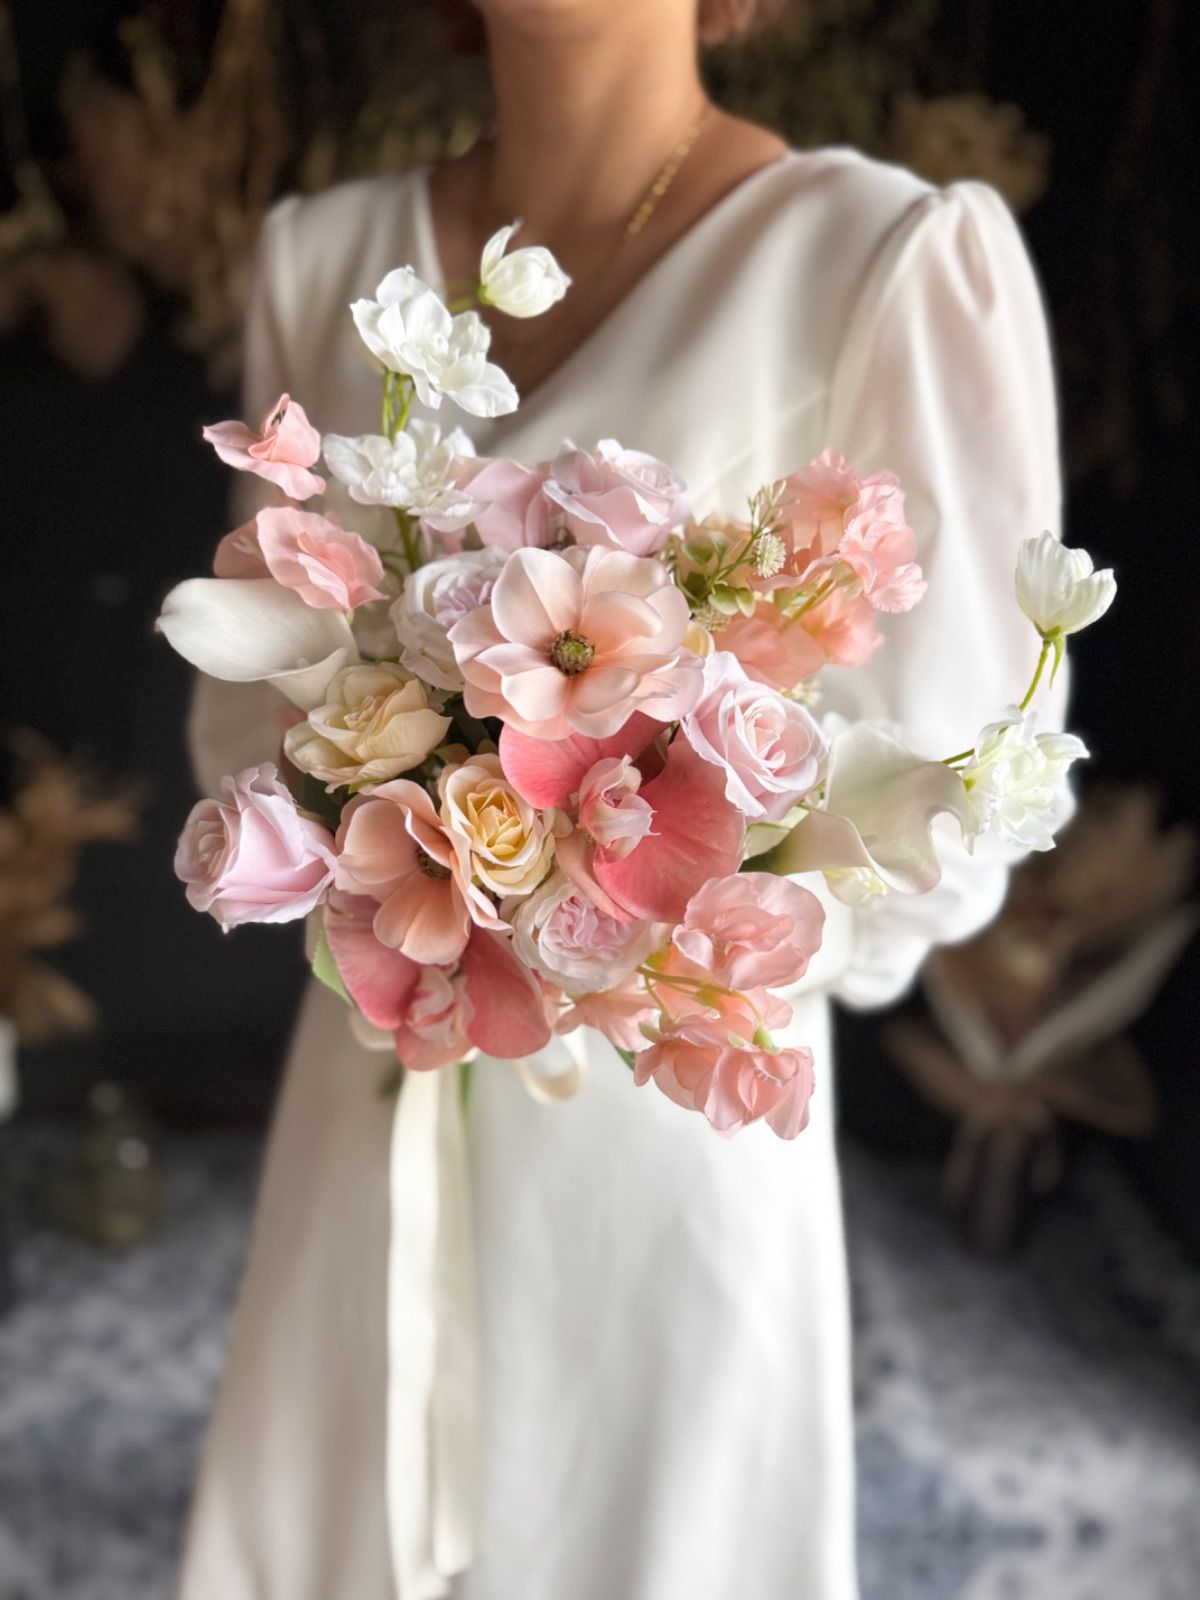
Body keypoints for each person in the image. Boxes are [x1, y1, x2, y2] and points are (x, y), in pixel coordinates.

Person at [180, 1, 1064, 1596]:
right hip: (376, 1094)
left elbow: (953, 803)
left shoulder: (881, 257)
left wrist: (593, 901)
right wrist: (418, 813)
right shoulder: (328, 260)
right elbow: (240, 713)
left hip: (674, 1140)